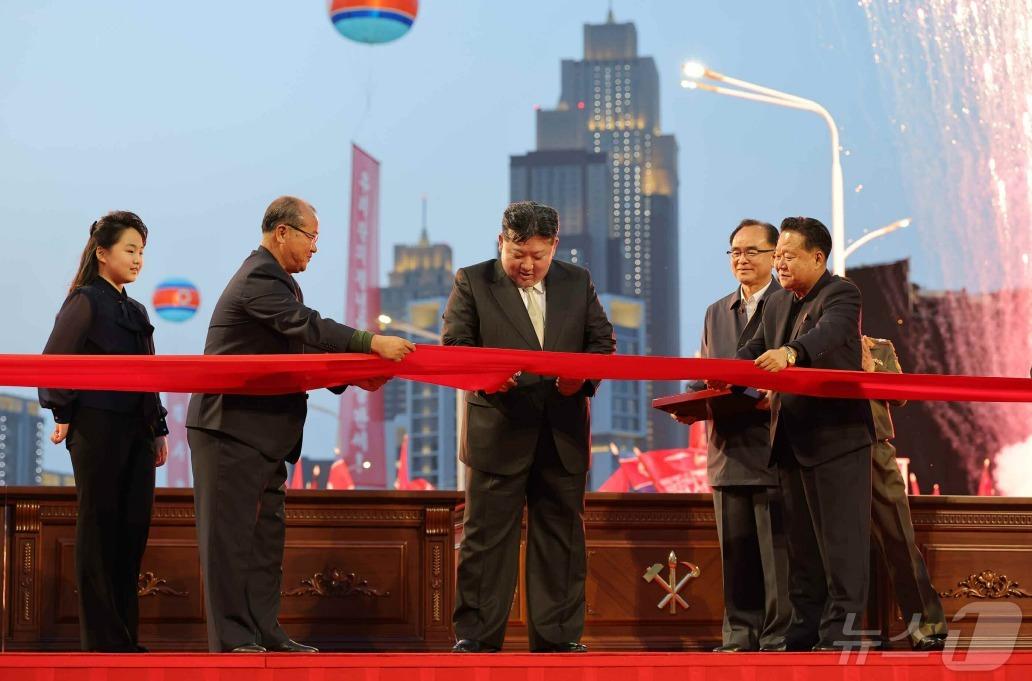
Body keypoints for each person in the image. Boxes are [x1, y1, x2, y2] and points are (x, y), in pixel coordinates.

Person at [186, 196, 414, 653]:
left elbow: (299, 351)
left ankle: (264, 631)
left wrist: (351, 375)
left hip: (264, 435)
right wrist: (369, 342)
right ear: (282, 232)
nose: (315, 247)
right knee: (229, 542)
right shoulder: (258, 278)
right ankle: (232, 640)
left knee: (265, 542)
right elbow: (306, 326)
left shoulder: (283, 283)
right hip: (229, 428)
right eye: (311, 236)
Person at [443, 201, 615, 653]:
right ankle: (476, 637)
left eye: (538, 256)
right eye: (518, 254)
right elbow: (455, 345)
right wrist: (488, 376)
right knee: (485, 540)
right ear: (501, 242)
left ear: (554, 246)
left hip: (562, 431)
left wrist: (583, 378)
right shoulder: (472, 281)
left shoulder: (577, 281)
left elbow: (601, 342)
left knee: (561, 540)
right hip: (497, 430)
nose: (527, 265)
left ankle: (558, 639)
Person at [736, 216, 875, 651]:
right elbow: (751, 351)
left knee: (842, 545)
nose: (779, 264)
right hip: (790, 441)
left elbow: (828, 335)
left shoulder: (841, 294)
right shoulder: (777, 302)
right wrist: (718, 377)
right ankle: (804, 629)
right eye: (777, 256)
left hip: (837, 440)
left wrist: (792, 353)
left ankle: (841, 634)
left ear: (817, 258)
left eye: (789, 256)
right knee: (802, 550)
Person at [40, 211, 170, 652]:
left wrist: (158, 428)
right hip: (96, 425)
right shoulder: (85, 301)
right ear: (102, 252)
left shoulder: (136, 309)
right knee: (99, 528)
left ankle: (125, 637)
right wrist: (63, 412)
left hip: (138, 430)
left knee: (132, 530)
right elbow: (54, 361)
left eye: (141, 252)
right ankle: (101, 641)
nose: (137, 260)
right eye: (130, 250)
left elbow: (149, 373)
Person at [680, 219, 790, 652]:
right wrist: (688, 402)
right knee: (736, 554)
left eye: (752, 251)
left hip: (774, 447)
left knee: (777, 557)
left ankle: (779, 639)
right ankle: (739, 637)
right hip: (727, 449)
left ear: (775, 256)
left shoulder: (789, 305)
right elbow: (708, 375)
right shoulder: (716, 311)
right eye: (735, 252)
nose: (742, 259)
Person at [862, 336, 948, 651]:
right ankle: (831, 631)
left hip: (874, 446)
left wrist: (869, 369)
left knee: (898, 536)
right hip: (826, 449)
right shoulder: (808, 347)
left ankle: (926, 625)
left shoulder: (877, 347)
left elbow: (899, 395)